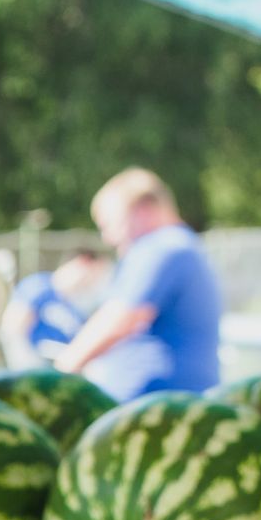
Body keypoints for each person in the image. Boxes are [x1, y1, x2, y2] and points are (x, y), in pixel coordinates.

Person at [55, 168, 221, 400]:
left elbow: (121, 318)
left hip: (157, 408)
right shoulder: (181, 246)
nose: (108, 238)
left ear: (143, 211)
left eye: (110, 224)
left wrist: (59, 372)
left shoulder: (163, 247)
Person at [0, 249, 110, 370]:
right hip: (36, 369)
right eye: (97, 272)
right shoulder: (39, 286)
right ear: (84, 262)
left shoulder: (76, 309)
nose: (97, 280)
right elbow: (13, 327)